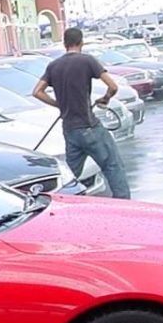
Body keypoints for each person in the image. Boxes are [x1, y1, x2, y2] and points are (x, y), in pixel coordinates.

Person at [31, 27, 131, 199]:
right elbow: (113, 86)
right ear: (81, 42)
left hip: (70, 130)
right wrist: (105, 98)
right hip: (89, 126)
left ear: (65, 44)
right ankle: (125, 205)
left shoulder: (54, 66)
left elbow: (37, 92)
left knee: (70, 177)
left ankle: (58, 202)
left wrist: (59, 105)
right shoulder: (87, 61)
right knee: (113, 166)